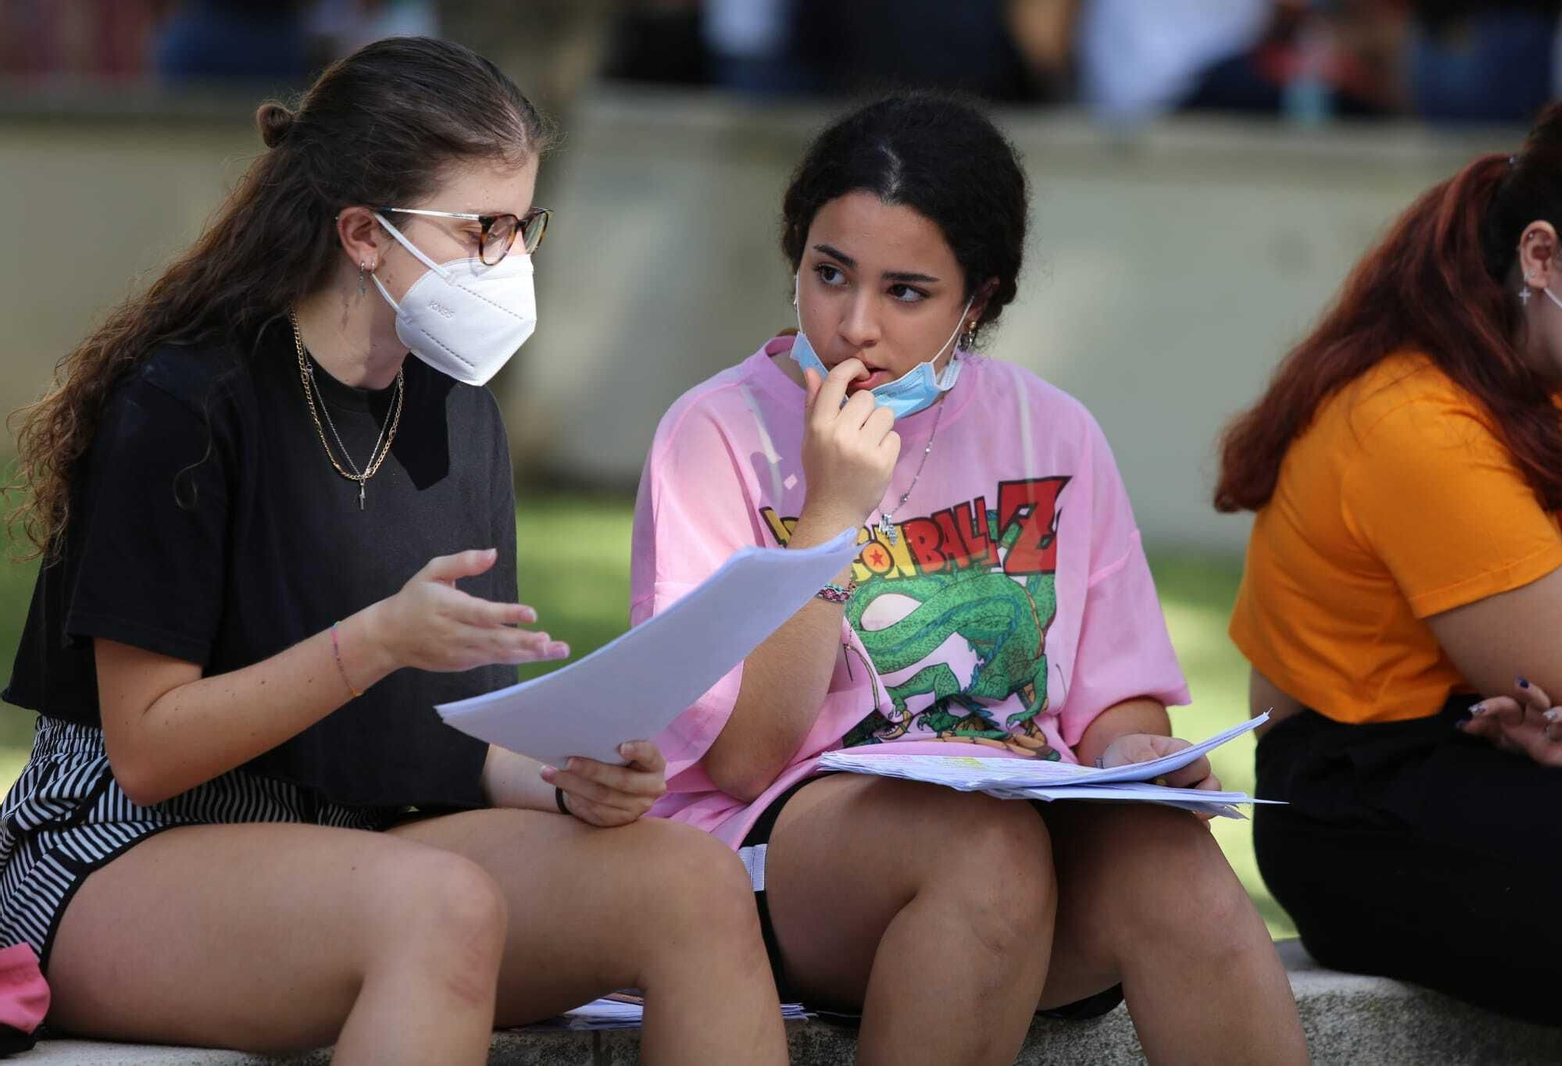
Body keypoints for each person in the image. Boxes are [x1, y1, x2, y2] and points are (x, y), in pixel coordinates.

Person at [0, 36, 786, 1064]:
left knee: (690, 878)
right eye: (484, 231)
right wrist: (370, 642)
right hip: (122, 851)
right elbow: (147, 751)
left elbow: (452, 740)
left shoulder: (462, 419)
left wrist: (564, 778)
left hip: (355, 840)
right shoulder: (186, 404)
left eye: (524, 225)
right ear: (365, 234)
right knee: (437, 906)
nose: (515, 262)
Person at [630, 93, 1308, 1065]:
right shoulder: (714, 436)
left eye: (905, 292)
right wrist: (827, 516)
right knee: (980, 850)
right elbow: (739, 759)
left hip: (1019, 845)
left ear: (977, 301)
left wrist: (1130, 761)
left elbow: (1115, 708)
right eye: (829, 275)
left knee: (1169, 862)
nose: (854, 324)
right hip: (772, 866)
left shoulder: (1053, 431)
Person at [1217, 88, 1562, 1027]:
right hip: (1359, 807)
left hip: (1498, 751)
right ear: (1542, 254)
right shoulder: (1418, 424)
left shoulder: (1549, 376)